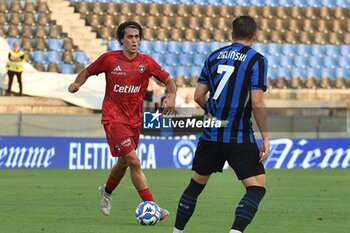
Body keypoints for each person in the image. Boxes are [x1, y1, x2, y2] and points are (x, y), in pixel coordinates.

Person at [68, 21, 176, 220]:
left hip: (134, 121)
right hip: (113, 118)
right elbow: (87, 71)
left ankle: (106, 192)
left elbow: (169, 81)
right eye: (129, 37)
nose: (134, 41)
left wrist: (171, 97)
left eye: (137, 37)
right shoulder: (109, 60)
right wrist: (77, 83)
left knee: (124, 163)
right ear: (121, 40)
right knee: (134, 161)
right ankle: (152, 206)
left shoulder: (147, 62)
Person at [173, 16, 270, 233]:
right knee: (256, 188)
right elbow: (257, 102)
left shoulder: (214, 56)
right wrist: (265, 137)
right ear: (254, 36)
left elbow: (198, 95)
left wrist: (214, 114)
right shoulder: (257, 60)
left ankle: (176, 232)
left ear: (232, 34)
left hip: (210, 134)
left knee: (195, 185)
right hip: (238, 135)